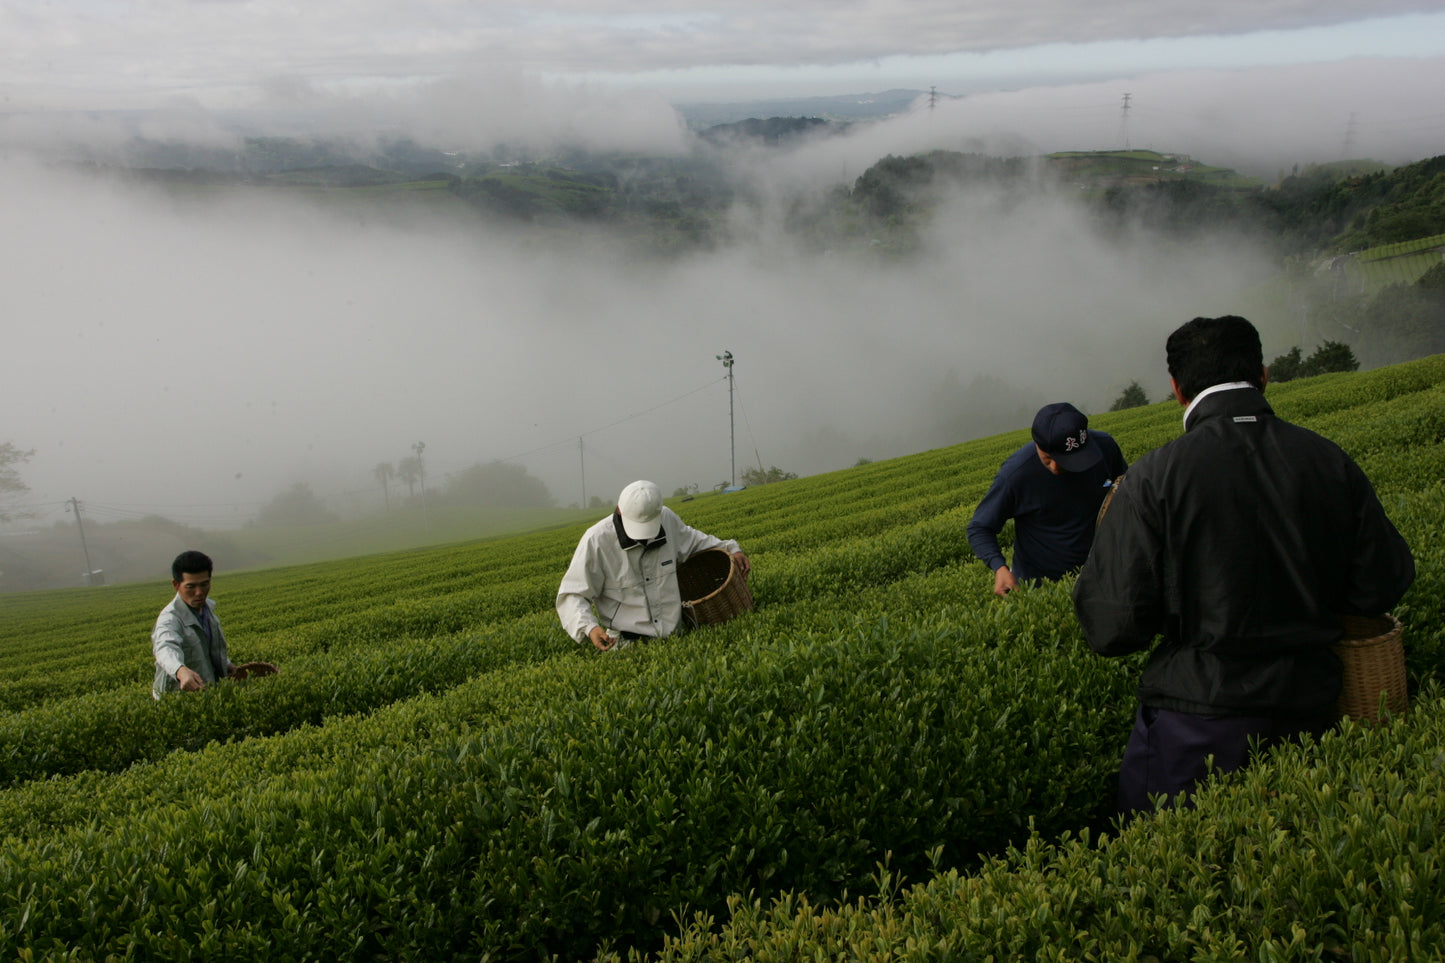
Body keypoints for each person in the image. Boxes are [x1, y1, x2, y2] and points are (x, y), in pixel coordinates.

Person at [1073, 315, 1415, 817]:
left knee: (1180, 876)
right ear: (1264, 374)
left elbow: (1112, 628)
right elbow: (1380, 586)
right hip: (1316, 709)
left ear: (1176, 389)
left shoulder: (1153, 478)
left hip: (1197, 725)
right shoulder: (1327, 459)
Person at [557, 480, 750, 651]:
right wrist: (589, 628)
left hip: (677, 638)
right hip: (627, 646)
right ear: (619, 510)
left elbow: (694, 541)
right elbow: (572, 594)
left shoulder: (667, 519)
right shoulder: (597, 541)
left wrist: (732, 549)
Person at [967, 402, 1128, 595]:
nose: (1054, 467)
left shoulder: (1105, 448)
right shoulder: (1016, 474)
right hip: (1042, 586)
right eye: (1047, 458)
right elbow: (980, 527)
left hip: (1103, 572)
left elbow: (1126, 492)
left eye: (1062, 460)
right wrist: (999, 567)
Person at [151, 550, 240, 698]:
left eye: (204, 584)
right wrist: (180, 670)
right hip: (177, 699)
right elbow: (165, 648)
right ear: (176, 585)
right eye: (191, 587)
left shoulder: (207, 610)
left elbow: (206, 647)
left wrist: (226, 664)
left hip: (205, 691)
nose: (199, 592)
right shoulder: (170, 619)